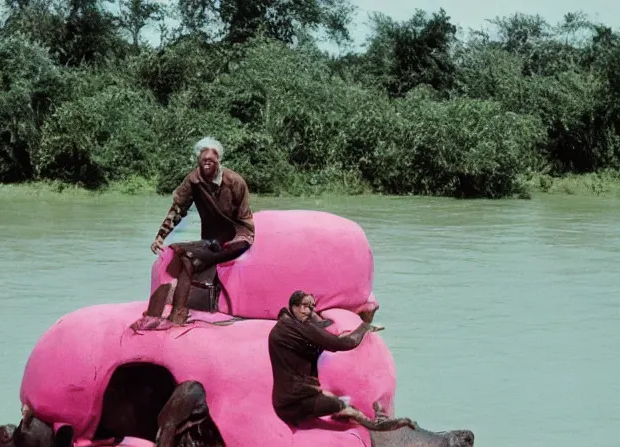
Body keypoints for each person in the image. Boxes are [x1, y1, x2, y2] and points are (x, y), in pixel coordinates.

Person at [135, 137, 255, 329]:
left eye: (212, 159)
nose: (207, 161)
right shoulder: (193, 180)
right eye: (203, 158)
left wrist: (235, 241)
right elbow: (177, 209)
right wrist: (160, 237)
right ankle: (156, 312)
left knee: (190, 258)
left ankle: (178, 315)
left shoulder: (235, 182)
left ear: (219, 160)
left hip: (237, 237)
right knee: (176, 250)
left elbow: (245, 222)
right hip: (211, 240)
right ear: (198, 159)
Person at [268, 290, 415, 431]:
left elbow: (316, 331)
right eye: (305, 307)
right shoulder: (301, 329)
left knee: (332, 398)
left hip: (284, 400)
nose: (309, 312)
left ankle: (343, 413)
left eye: (312, 307)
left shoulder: (282, 327)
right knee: (343, 405)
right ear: (294, 306)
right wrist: (364, 327)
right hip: (294, 402)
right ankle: (373, 424)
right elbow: (344, 343)